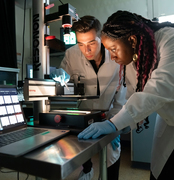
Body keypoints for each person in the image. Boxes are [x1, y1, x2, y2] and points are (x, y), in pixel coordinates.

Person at [77, 10, 174, 180]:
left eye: (113, 49)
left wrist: (114, 124)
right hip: (172, 115)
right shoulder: (133, 61)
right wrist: (122, 124)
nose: (111, 57)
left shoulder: (172, 39)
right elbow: (135, 95)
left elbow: (161, 88)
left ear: (132, 40)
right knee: (160, 169)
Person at [50, 16, 129, 180]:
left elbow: (121, 97)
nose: (86, 50)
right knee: (81, 145)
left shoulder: (115, 55)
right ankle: (87, 170)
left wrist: (115, 124)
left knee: (112, 152)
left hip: (109, 112)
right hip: (83, 113)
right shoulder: (71, 54)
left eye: (92, 43)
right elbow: (64, 82)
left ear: (101, 37)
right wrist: (58, 79)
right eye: (81, 44)